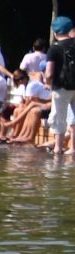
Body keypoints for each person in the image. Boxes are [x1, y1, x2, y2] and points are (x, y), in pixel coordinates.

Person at [43, 16, 75, 157]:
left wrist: (48, 85)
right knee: (73, 116)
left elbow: (49, 73)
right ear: (70, 30)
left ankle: (58, 147)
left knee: (59, 117)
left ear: (55, 32)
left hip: (61, 88)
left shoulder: (54, 49)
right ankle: (73, 148)